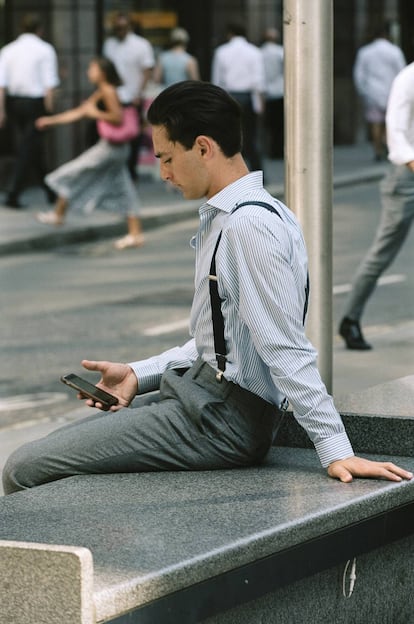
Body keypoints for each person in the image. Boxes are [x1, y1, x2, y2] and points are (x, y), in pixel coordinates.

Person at [3, 80, 412, 496]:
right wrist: (136, 375)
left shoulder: (248, 225)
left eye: (166, 158)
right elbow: (220, 342)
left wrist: (335, 449)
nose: (162, 174)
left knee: (25, 468)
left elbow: (284, 347)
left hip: (220, 420)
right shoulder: (235, 214)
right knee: (43, 457)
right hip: (200, 396)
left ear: (202, 147)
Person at [339, 62, 414, 350]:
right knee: (382, 253)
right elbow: (396, 130)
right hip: (406, 178)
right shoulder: (407, 78)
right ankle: (349, 319)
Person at [35, 56, 144, 250]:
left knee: (73, 171)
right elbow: (79, 112)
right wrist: (50, 121)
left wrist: (96, 114)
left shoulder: (108, 91)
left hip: (111, 148)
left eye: (92, 69)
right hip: (116, 149)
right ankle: (135, 234)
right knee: (124, 188)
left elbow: (117, 118)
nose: (88, 72)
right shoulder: (102, 91)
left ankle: (59, 214)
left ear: (102, 72)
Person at [0, 12, 59, 208]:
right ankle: (13, 193)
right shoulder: (45, 50)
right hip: (35, 104)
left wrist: (2, 110)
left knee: (32, 146)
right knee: (29, 147)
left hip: (14, 103)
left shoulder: (8, 50)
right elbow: (49, 84)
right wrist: (50, 111)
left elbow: (2, 85)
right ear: (40, 29)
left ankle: (50, 191)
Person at [103, 11, 155, 181]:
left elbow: (147, 70)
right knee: (113, 134)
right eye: (117, 28)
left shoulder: (141, 45)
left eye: (123, 27)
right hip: (115, 96)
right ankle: (116, 172)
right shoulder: (109, 44)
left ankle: (131, 172)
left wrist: (139, 92)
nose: (120, 31)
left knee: (133, 135)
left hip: (133, 95)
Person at [211, 23, 265, 172]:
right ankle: (257, 171)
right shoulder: (254, 52)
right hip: (248, 96)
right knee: (251, 136)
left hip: (229, 96)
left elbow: (217, 80)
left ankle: (231, 172)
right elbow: (258, 79)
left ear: (230, 34)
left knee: (228, 136)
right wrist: (260, 102)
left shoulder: (221, 52)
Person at [353, 22, 405, 162]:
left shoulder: (365, 52)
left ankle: (377, 149)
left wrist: (363, 91)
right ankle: (388, 148)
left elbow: (359, 74)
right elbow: (402, 73)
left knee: (375, 123)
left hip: (372, 92)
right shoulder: (395, 51)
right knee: (389, 122)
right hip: (392, 91)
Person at [261, 27, 284, 159]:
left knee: (269, 125)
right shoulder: (280, 52)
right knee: (280, 125)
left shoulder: (260, 52)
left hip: (266, 91)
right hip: (280, 91)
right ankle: (278, 150)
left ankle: (270, 150)